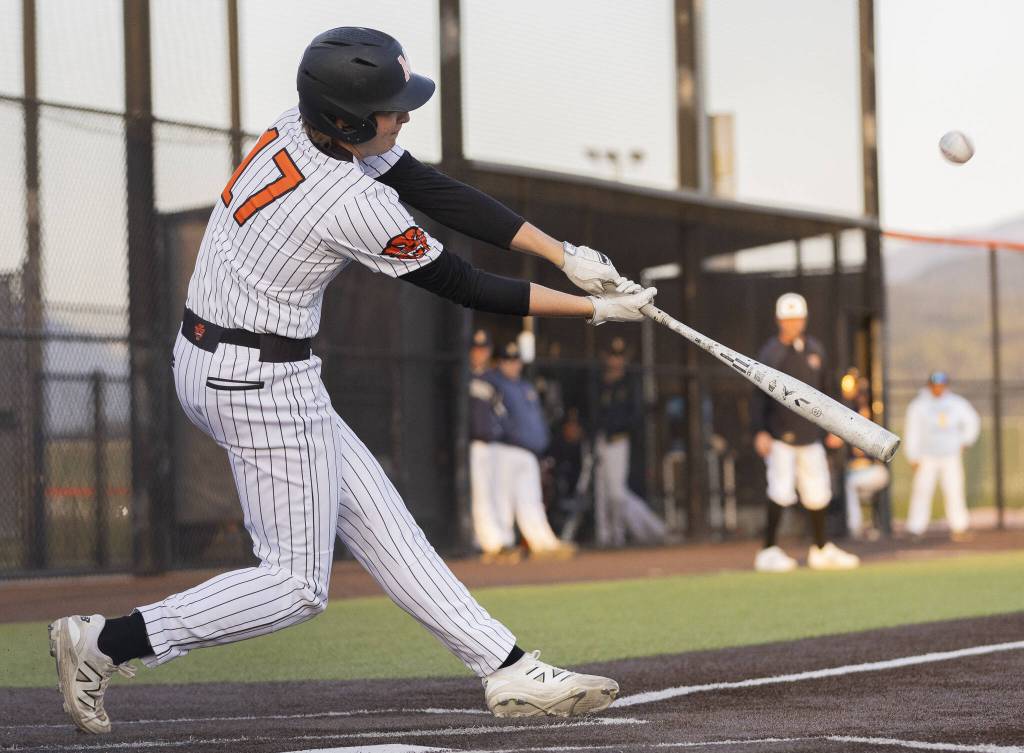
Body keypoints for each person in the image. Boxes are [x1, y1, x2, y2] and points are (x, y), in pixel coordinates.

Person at [47, 27, 656, 733]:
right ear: (346, 119)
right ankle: (102, 643)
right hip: (258, 380)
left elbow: (431, 185)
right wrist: (590, 308)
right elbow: (458, 281)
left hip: (225, 356)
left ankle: (508, 666)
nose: (403, 116)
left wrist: (563, 253)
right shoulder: (346, 199)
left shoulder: (298, 126)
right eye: (391, 109)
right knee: (295, 585)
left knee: (383, 521)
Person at [751, 293, 859, 572]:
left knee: (818, 490)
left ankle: (821, 549)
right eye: (788, 319)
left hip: (810, 435)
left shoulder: (814, 349)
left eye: (797, 318)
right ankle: (768, 550)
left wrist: (833, 426)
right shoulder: (770, 353)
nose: (793, 324)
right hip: (780, 435)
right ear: (779, 321)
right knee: (780, 489)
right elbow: (758, 396)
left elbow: (826, 391)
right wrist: (760, 430)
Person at [490, 342, 577, 559]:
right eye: (507, 360)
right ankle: (502, 545)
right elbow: (496, 419)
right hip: (506, 450)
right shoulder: (494, 383)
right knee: (503, 499)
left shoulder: (525, 386)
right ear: (499, 362)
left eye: (515, 360)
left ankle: (543, 543)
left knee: (532, 500)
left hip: (530, 452)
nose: (512, 365)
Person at [592, 337, 666, 547]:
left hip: (619, 441)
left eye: (620, 356)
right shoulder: (597, 382)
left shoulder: (630, 383)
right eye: (613, 356)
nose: (616, 361)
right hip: (599, 441)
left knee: (617, 493)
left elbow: (636, 416)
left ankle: (618, 536)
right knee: (601, 494)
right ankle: (604, 537)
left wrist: (616, 427)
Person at [903, 371, 980, 541]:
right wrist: (912, 456)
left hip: (950, 455)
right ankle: (915, 528)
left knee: (954, 490)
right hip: (927, 456)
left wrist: (965, 441)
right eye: (935, 385)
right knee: (922, 491)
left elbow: (972, 421)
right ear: (930, 385)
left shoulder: (956, 403)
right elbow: (912, 432)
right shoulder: (919, 406)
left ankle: (959, 527)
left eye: (941, 385)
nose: (938, 388)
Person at [467, 329, 522, 564]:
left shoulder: (493, 380)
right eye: (477, 348)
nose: (480, 353)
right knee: (480, 495)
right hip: (473, 444)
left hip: (493, 444)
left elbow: (502, 415)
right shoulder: (463, 376)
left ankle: (498, 540)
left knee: (494, 494)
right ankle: (490, 542)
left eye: (484, 348)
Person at [840, 369, 890, 540]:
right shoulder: (848, 412)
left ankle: (857, 527)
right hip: (856, 473)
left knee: (849, 484)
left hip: (873, 471)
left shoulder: (869, 414)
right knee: (847, 484)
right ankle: (857, 527)